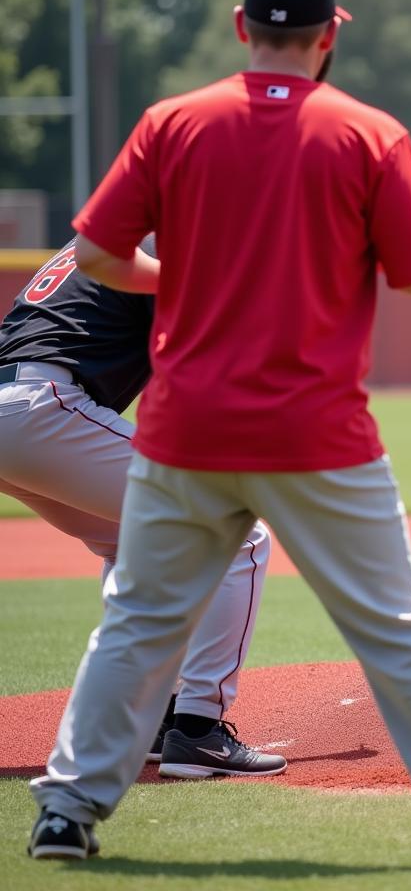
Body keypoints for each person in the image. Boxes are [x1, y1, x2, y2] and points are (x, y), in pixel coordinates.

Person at [27, 0, 411, 870]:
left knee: (140, 619)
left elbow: (101, 257)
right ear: (329, 37)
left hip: (186, 428)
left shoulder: (171, 123)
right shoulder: (369, 133)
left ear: (243, 27)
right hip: (318, 433)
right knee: (398, 628)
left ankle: (67, 812)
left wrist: (191, 270)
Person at [0, 237, 285, 780]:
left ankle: (152, 717)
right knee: (237, 536)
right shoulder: (177, 236)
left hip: (22, 410)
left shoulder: (127, 237)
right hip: (46, 408)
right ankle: (199, 729)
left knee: (135, 544)